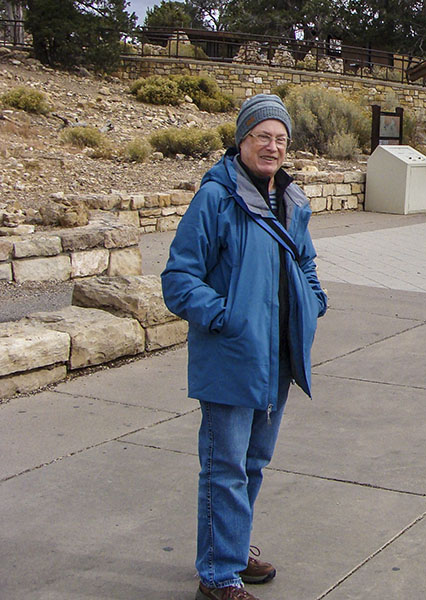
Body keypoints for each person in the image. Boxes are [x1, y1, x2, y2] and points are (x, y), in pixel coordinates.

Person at [162, 93, 329, 600]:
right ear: (242, 141)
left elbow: (305, 259)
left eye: (280, 139)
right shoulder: (216, 197)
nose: (272, 147)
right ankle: (217, 575)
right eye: (262, 136)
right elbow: (179, 277)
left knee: (253, 462)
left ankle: (231, 550)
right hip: (232, 355)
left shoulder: (290, 199)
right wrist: (226, 316)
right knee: (225, 465)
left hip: (277, 356)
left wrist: (314, 299)